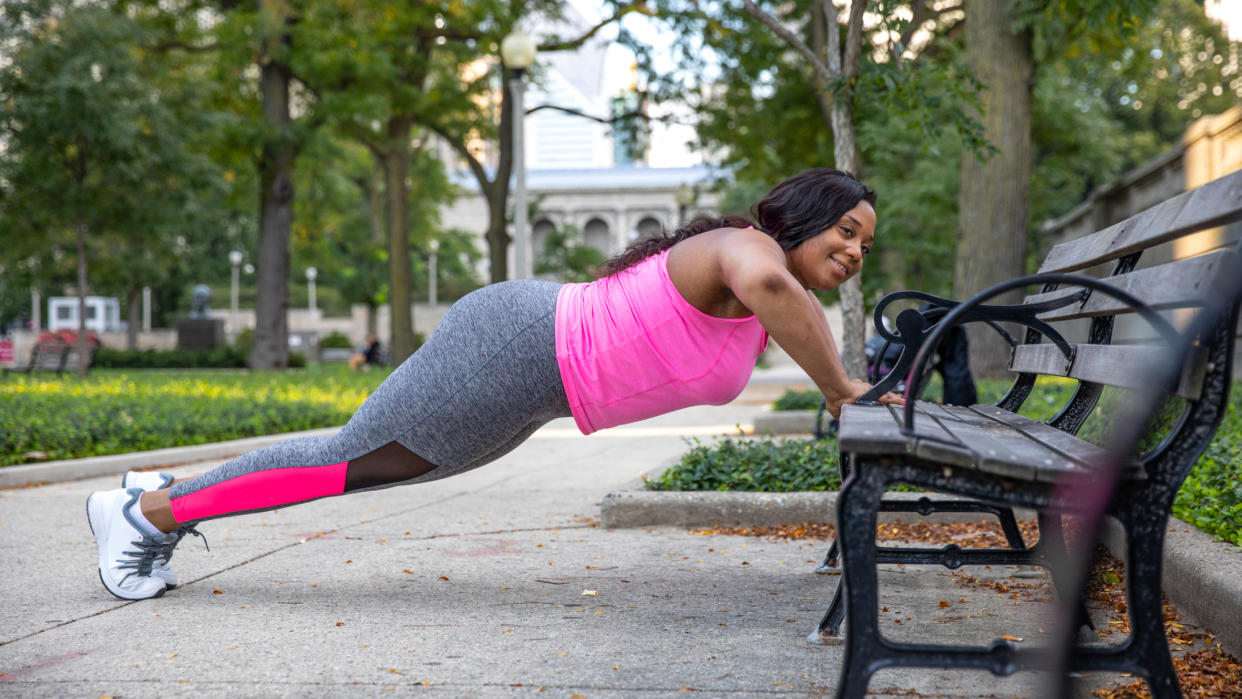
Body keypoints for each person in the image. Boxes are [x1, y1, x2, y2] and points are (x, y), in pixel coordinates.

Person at [85, 168, 903, 600]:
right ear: (798, 217)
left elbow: (775, 309)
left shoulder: (766, 297)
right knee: (350, 459)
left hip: (538, 383)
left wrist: (841, 382)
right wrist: (842, 388)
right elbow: (770, 287)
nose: (857, 251)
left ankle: (161, 495)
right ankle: (145, 513)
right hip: (518, 343)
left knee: (387, 465)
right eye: (846, 230)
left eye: (866, 242)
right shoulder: (747, 249)